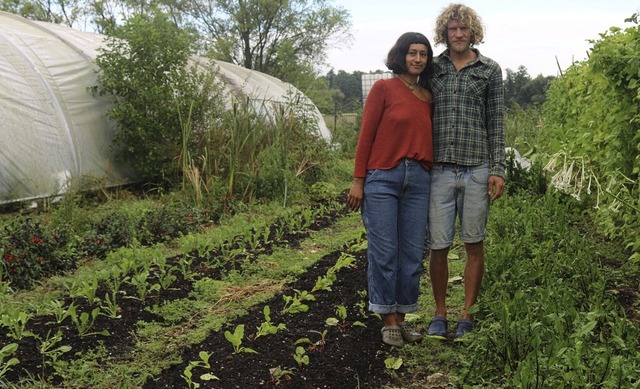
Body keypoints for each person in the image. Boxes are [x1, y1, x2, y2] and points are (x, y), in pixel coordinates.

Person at [346, 32, 434, 347]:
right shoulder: (383, 89)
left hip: (419, 180)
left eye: (423, 54)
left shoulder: (428, 96)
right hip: (383, 177)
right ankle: (388, 319)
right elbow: (366, 136)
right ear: (401, 55)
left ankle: (403, 318)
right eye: (412, 53)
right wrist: (359, 180)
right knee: (385, 252)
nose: (418, 59)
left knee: (411, 253)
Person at [425, 3, 506, 341]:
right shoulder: (433, 68)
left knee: (474, 242)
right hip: (440, 171)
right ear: (444, 33)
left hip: (476, 169)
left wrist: (498, 168)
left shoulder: (489, 70)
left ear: (473, 33)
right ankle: (440, 314)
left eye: (463, 29)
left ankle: (467, 315)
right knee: (439, 246)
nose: (458, 34)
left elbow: (496, 121)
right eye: (452, 29)